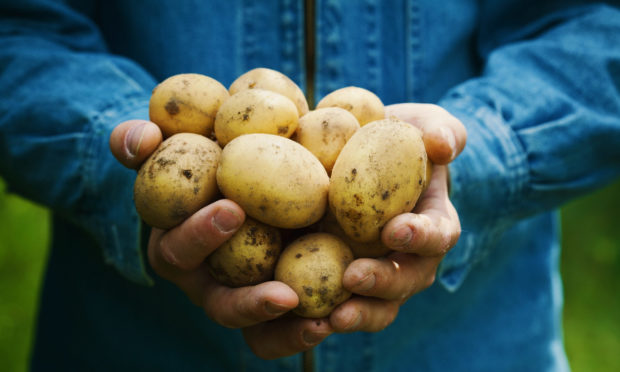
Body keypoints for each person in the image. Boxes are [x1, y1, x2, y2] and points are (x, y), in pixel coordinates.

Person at [1, 0, 619, 371]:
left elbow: (600, 24)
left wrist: (473, 155)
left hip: (474, 345)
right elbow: (18, 28)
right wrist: (126, 172)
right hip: (133, 345)